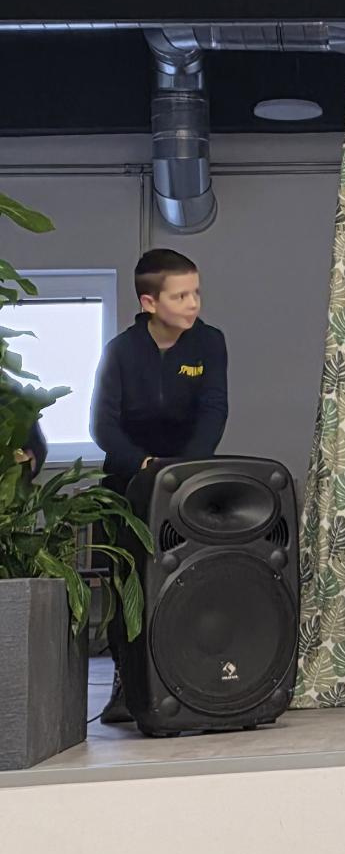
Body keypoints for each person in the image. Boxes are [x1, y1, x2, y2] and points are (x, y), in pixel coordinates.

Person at [90, 247, 229, 725]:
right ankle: (125, 685)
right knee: (129, 586)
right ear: (149, 303)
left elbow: (214, 411)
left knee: (190, 582)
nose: (193, 304)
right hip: (128, 483)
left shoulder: (210, 343)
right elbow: (102, 426)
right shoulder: (121, 351)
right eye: (180, 296)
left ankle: (192, 682)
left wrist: (182, 472)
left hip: (188, 483)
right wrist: (143, 464)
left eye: (196, 293)